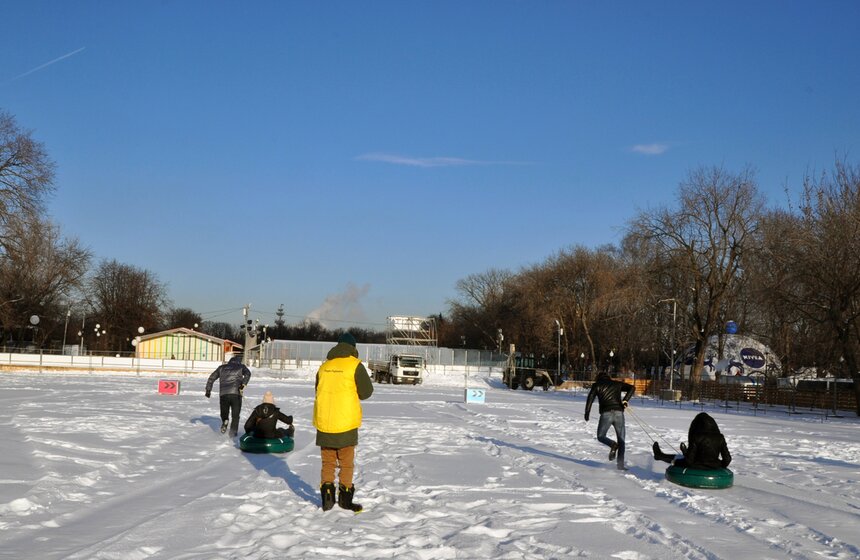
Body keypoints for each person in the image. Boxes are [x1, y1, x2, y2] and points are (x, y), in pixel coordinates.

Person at [313, 332, 374, 512]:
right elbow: (366, 392)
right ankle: (345, 500)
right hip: (346, 423)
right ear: (353, 348)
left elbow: (318, 390)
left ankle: (327, 498)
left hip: (325, 423)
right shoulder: (355, 365)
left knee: (328, 463)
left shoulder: (324, 367)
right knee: (346, 463)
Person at [584, 372, 635, 470]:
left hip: (606, 413)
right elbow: (632, 388)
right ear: (608, 378)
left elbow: (590, 398)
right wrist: (625, 400)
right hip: (619, 413)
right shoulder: (616, 384)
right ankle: (620, 465)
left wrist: (587, 412)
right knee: (622, 440)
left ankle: (612, 444)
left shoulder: (597, 385)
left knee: (601, 436)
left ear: (598, 378)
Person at [653, 412, 732, 469]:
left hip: (696, 465)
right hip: (714, 465)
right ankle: (660, 455)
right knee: (684, 456)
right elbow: (727, 459)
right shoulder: (720, 438)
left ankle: (659, 456)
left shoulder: (696, 437)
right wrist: (719, 465)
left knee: (679, 459)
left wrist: (676, 462)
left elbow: (689, 461)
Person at [205, 355, 252, 437]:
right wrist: (243, 384)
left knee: (224, 412)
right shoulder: (241, 366)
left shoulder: (221, 368)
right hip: (236, 394)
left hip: (224, 394)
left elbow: (211, 378)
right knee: (235, 415)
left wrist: (208, 390)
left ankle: (225, 420)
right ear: (238, 361)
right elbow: (248, 374)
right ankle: (233, 433)